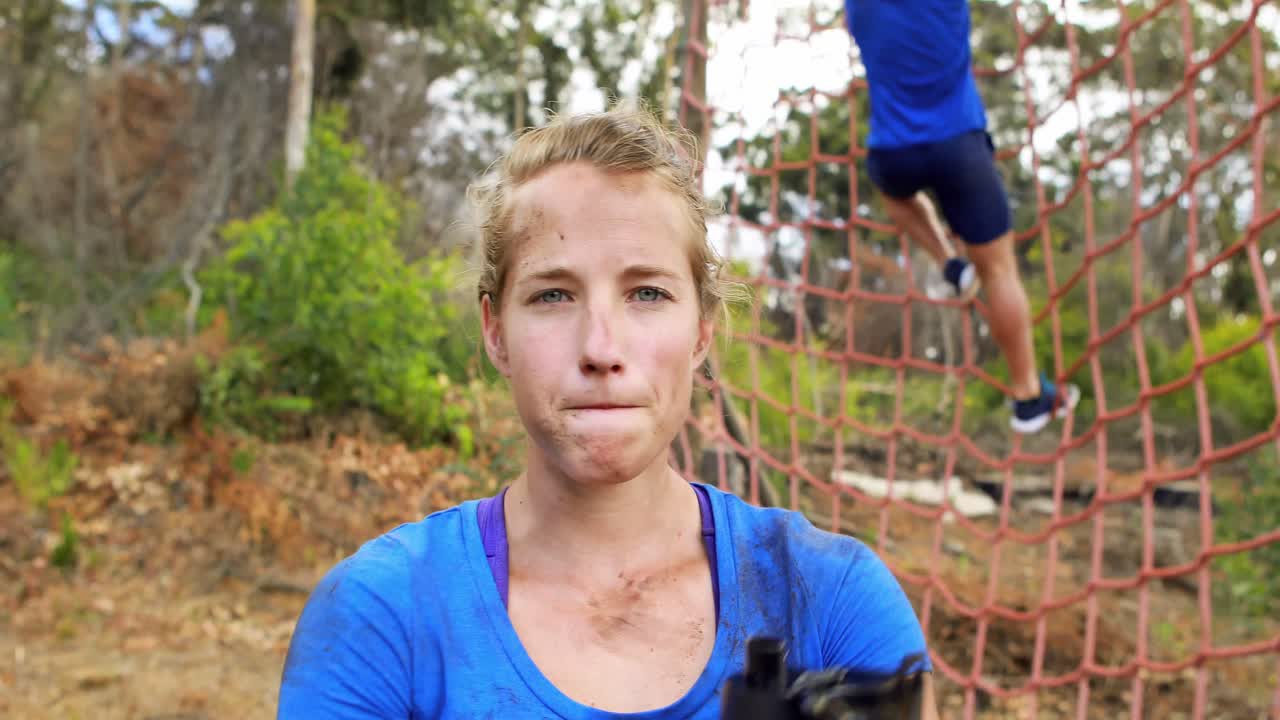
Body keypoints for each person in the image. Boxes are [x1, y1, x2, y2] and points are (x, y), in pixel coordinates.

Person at [276, 105, 939, 719]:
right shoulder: (382, 617)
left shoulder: (831, 602)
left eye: (647, 293)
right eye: (553, 295)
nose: (601, 349)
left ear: (702, 332)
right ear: (495, 331)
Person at [844, 0, 1081, 434]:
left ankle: (950, 264)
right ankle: (1028, 396)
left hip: (893, 153)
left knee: (895, 195)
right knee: (999, 271)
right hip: (959, 146)